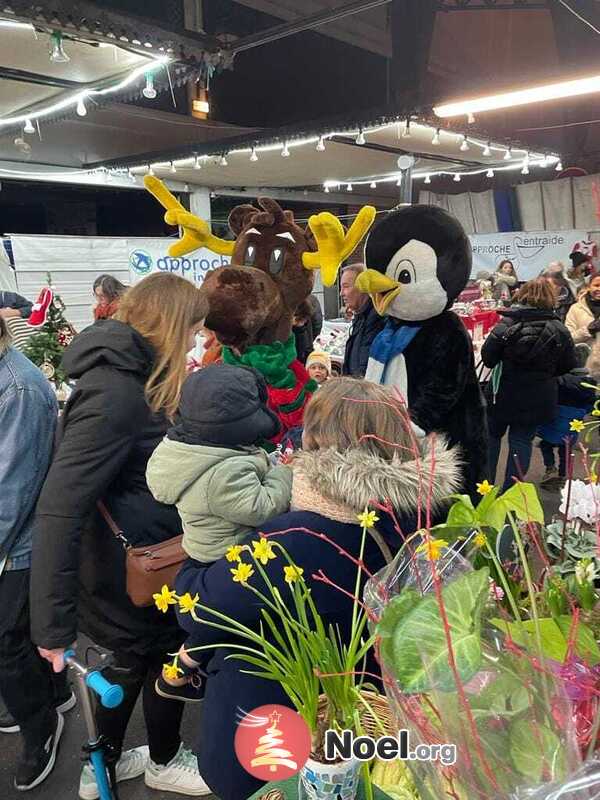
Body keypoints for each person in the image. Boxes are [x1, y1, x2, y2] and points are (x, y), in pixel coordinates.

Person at [173, 378, 463, 800]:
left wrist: (200, 553)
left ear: (316, 442)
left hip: (275, 730)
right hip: (368, 712)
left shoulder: (292, 539)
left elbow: (194, 608)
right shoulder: (416, 512)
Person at [30, 274, 211, 798]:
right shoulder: (116, 393)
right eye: (194, 331)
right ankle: (145, 760)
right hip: (128, 568)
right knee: (145, 662)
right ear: (172, 327)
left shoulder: (133, 378)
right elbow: (61, 507)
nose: (197, 342)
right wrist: (51, 626)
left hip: (142, 560)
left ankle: (114, 762)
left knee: (145, 661)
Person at [146, 364, 292, 700]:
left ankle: (180, 669)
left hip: (202, 549)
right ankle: (181, 671)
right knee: (226, 617)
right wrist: (284, 472)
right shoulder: (222, 474)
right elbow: (263, 505)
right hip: (228, 553)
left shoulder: (188, 451)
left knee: (216, 617)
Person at [0, 317, 76, 791]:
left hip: (19, 543)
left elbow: (11, 491)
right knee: (22, 638)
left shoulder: (18, 388)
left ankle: (40, 725)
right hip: (14, 539)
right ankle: (52, 694)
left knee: (7, 643)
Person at [482, 278, 576, 491]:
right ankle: (510, 494)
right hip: (538, 397)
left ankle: (484, 490)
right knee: (521, 442)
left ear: (522, 295)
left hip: (502, 393)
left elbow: (488, 358)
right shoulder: (560, 329)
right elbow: (568, 365)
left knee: (492, 438)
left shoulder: (506, 324)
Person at [537, 353, 596, 487]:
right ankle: (564, 475)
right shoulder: (590, 384)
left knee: (545, 444)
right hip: (573, 424)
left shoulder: (559, 380)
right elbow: (591, 406)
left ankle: (550, 467)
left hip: (554, 422)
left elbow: (549, 399)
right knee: (566, 450)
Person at [341, 264, 385, 377]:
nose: (341, 293)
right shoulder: (361, 317)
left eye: (346, 286)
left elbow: (365, 368)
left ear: (363, 286)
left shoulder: (377, 318)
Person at [565, 274, 600, 376]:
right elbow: (568, 338)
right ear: (589, 287)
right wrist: (588, 330)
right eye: (596, 285)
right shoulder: (575, 309)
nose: (599, 289)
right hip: (588, 370)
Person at [292, 295, 323, 365]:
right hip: (306, 344)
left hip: (297, 343)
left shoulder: (287, 300)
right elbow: (317, 325)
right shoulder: (312, 299)